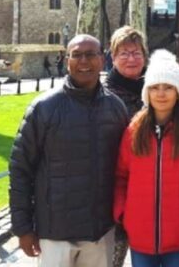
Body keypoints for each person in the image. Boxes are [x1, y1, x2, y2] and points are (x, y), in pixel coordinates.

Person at [9, 35, 129, 267]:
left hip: (99, 231)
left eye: (91, 54)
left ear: (102, 59)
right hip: (56, 233)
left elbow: (125, 170)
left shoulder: (115, 108)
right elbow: (20, 168)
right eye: (77, 54)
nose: (84, 61)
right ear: (67, 60)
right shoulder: (44, 108)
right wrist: (23, 228)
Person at [114, 50, 179, 267]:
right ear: (147, 92)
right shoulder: (133, 131)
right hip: (140, 236)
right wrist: (124, 214)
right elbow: (120, 177)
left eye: (168, 87)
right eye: (154, 87)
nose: (161, 94)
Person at [104, 26, 148, 267]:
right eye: (124, 53)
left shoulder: (158, 91)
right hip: (111, 194)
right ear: (113, 57)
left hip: (147, 192)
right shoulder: (102, 96)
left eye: (136, 52)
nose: (131, 58)